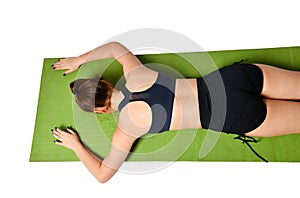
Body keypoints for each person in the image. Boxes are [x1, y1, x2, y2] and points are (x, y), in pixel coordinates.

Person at [51, 41, 300, 183]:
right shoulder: (135, 73)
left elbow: (103, 175)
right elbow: (116, 48)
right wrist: (78, 60)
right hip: (230, 81)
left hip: (229, 115)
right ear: (104, 83)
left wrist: (76, 146)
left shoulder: (127, 128)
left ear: (99, 111)